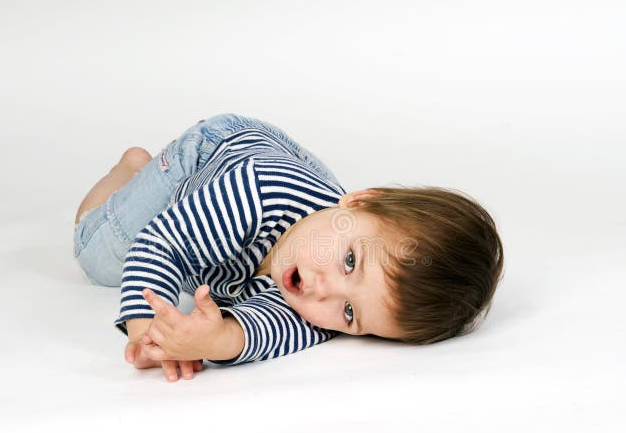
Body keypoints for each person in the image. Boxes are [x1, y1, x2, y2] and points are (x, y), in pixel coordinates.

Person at [73, 114, 504, 383]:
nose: (325, 291)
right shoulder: (259, 192)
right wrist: (149, 329)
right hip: (212, 157)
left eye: (351, 314)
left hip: (306, 202)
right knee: (100, 258)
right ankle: (133, 170)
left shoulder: (329, 310)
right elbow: (165, 245)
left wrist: (215, 338)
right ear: (359, 201)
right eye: (350, 261)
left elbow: (263, 331)